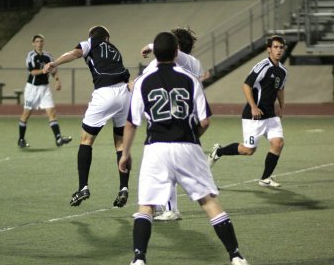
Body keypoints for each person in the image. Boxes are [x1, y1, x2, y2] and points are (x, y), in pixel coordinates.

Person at [119, 31, 251, 265]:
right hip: (187, 146)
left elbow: (131, 123)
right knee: (209, 202)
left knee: (146, 206)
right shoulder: (191, 79)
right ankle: (237, 257)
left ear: (156, 53)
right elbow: (205, 121)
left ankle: (138, 261)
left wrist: (125, 154)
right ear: (177, 52)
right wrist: (191, 139)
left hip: (155, 148)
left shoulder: (143, 82)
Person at [44, 26, 132, 207]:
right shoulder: (114, 49)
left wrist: (56, 63)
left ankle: (83, 186)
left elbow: (75, 53)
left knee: (86, 139)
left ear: (92, 36)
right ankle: (124, 188)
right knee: (121, 143)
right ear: (108, 37)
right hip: (125, 94)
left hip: (105, 93)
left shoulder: (91, 42)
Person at [140, 26, 209, 221]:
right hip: (189, 118)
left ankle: (170, 209)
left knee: (166, 163)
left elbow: (144, 78)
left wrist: (149, 46)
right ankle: (160, 207)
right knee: (170, 164)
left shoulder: (175, 60)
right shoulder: (195, 63)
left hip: (169, 118)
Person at [208, 34, 287, 188]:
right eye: (275, 47)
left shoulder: (283, 71)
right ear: (269, 50)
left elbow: (280, 89)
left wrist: (282, 106)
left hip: (270, 116)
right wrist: (253, 107)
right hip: (254, 116)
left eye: (281, 47)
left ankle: (265, 178)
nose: (278, 50)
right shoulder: (262, 66)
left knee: (278, 143)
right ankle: (219, 151)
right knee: (248, 150)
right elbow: (246, 85)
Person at [18, 34, 72, 148]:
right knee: (26, 114)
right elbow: (32, 72)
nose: (39, 43)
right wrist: (43, 70)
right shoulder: (31, 56)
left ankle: (58, 139)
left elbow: (54, 69)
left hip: (45, 88)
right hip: (32, 89)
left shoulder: (48, 56)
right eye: (37, 41)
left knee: (52, 112)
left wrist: (57, 80)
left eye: (41, 41)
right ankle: (21, 139)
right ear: (33, 43)